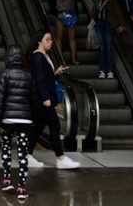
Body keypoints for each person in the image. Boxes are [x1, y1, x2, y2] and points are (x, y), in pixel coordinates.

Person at [28, 30, 81, 170]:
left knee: (38, 127)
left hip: (42, 99)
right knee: (54, 126)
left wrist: (55, 74)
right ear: (40, 41)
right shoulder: (38, 57)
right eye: (48, 39)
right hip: (43, 100)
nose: (50, 42)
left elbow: (45, 78)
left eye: (51, 39)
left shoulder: (43, 56)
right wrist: (46, 98)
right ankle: (60, 158)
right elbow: (39, 79)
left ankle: (27, 155)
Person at [0, 46, 33, 201]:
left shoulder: (4, 75)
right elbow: (33, 99)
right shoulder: (29, 76)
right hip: (25, 120)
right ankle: (22, 186)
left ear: (8, 58)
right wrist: (31, 118)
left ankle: (7, 179)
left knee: (6, 147)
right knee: (22, 152)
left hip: (8, 119)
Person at [48, 0, 78, 65]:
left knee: (72, 38)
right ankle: (60, 60)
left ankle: (74, 59)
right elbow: (51, 3)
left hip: (71, 13)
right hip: (60, 14)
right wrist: (56, 14)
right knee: (59, 37)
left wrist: (76, 12)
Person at [94, 0, 115, 80]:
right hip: (99, 24)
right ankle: (102, 70)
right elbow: (94, 11)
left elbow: (117, 10)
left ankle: (110, 70)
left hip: (108, 24)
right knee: (102, 48)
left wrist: (120, 24)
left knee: (108, 47)